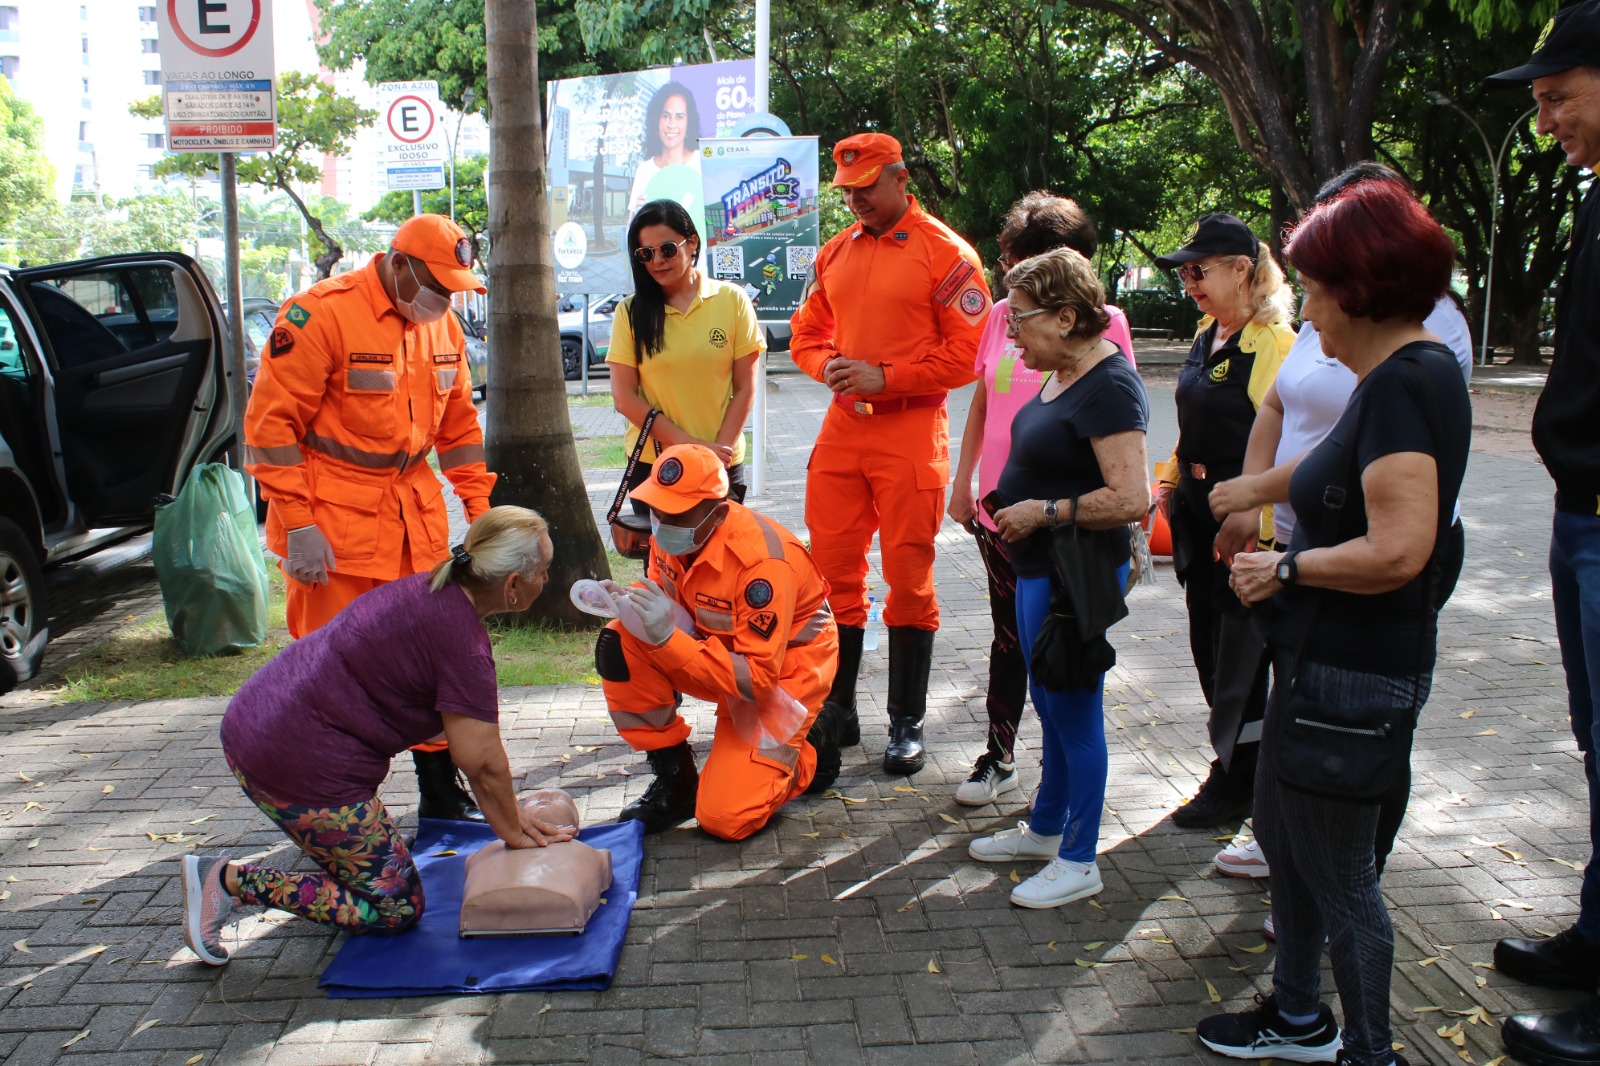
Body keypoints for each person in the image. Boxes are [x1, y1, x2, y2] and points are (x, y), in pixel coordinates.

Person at [1196, 181, 1470, 1066]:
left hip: (1357, 669)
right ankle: (1300, 1015)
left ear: (1358, 288)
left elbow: (1401, 549)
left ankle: (1370, 1050)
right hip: (1324, 657)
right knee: (1288, 839)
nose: (1306, 308)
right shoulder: (1393, 377)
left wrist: (1287, 567)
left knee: (1345, 878)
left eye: (1313, 289)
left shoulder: (1405, 383)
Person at [179, 507, 564, 966]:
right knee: (395, 907)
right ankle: (228, 882)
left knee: (373, 864)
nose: (548, 579)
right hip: (292, 762)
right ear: (513, 585)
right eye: (544, 571)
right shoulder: (462, 643)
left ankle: (331, 857)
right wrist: (511, 829)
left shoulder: (429, 588)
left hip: (257, 721)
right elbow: (480, 761)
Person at [245, 213, 497, 824]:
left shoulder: (442, 330)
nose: (445, 299)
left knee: (431, 660)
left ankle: (440, 791)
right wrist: (298, 525)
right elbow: (270, 429)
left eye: (455, 288)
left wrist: (480, 509)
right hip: (333, 535)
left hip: (415, 524)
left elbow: (460, 430)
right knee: (335, 678)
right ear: (399, 263)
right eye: (438, 285)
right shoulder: (320, 316)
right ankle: (340, 808)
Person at [789, 132, 990, 776]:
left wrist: (889, 376)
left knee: (908, 578)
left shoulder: (947, 255)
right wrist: (831, 369)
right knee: (831, 573)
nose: (856, 201)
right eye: (846, 190)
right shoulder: (836, 253)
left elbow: (971, 354)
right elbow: (804, 335)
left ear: (902, 178)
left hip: (910, 432)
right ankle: (838, 708)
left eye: (867, 187)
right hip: (843, 432)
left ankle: (907, 720)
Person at [1483, 7, 1600, 1064]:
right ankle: (1597, 935)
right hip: (1579, 516)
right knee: (1596, 741)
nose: (1546, 118)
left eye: (1559, 94)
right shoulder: (1598, 196)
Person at [962, 247, 1149, 907]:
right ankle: (1045, 828)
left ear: (1067, 316)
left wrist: (1044, 512)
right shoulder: (1062, 371)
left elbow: (1132, 498)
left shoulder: (1110, 384)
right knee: (1049, 700)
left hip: (1073, 573)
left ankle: (1079, 857)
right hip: (1036, 567)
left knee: (1074, 711)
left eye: (1022, 318)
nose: (1010, 332)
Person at [947, 192, 1137, 806]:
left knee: (1065, 685)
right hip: (1008, 521)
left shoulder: (1101, 353)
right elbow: (983, 397)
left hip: (1064, 539)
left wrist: (1050, 511)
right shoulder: (1016, 323)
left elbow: (1122, 462)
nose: (1007, 287)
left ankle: (1075, 848)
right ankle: (1013, 771)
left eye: (1021, 267)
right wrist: (966, 481)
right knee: (1019, 648)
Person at [594, 444, 841, 841]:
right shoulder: (675, 536)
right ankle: (675, 781)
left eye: (677, 513)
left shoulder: (762, 564)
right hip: (718, 653)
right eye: (658, 509)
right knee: (620, 640)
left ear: (719, 512)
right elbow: (672, 601)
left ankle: (810, 745)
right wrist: (627, 602)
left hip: (784, 675)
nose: (662, 521)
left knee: (725, 819)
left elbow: (759, 679)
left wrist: (667, 637)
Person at [1153, 214, 1295, 829]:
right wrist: (1170, 478)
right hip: (1196, 511)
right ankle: (1237, 766)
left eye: (1198, 270)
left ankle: (1241, 781)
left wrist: (1252, 512)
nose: (1189, 282)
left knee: (1239, 660)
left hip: (1243, 525)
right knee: (1208, 651)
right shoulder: (1208, 333)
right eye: (1183, 272)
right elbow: (1194, 424)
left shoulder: (1273, 342)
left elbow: (1285, 440)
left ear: (1242, 269)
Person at [608, 199, 763, 510]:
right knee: (660, 559)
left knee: (722, 556)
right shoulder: (630, 312)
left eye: (667, 249)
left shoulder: (731, 300)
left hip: (722, 459)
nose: (657, 261)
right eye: (645, 253)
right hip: (657, 464)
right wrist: (692, 448)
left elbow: (745, 387)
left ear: (691, 243)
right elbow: (624, 399)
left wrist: (715, 453)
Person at [627, 82, 702, 215]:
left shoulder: (701, 163)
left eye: (679, 117)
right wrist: (638, 218)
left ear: (689, 123)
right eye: (666, 116)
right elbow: (630, 231)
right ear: (656, 120)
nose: (671, 124)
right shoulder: (644, 171)